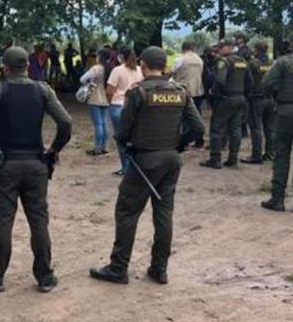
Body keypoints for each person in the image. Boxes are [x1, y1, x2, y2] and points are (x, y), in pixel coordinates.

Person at [89, 47, 204, 286]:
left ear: (143, 64)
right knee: (164, 214)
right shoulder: (180, 92)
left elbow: (123, 131)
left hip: (144, 160)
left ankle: (119, 268)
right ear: (164, 65)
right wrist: (177, 145)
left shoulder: (139, 93)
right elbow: (198, 128)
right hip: (171, 160)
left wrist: (130, 144)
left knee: (127, 212)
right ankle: (159, 269)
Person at [0, 46, 72, 293]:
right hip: (36, 163)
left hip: (6, 164)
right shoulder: (43, 90)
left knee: (3, 221)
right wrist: (54, 150)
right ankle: (45, 276)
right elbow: (66, 122)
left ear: (4, 67)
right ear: (27, 66)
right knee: (38, 220)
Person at [261, 31, 293, 213]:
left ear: (290, 45)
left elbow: (266, 83)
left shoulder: (283, 62)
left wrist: (278, 95)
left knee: (281, 153)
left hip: (286, 110)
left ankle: (277, 199)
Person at [200, 39, 252, 169]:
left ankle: (215, 158)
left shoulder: (223, 61)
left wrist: (213, 92)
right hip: (239, 97)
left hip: (225, 98)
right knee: (235, 129)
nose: (218, 49)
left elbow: (220, 80)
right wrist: (244, 94)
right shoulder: (243, 61)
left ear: (228, 47)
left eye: (221, 47)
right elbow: (249, 81)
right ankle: (233, 159)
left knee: (216, 128)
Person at [107, 47, 144, 175]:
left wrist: (110, 102)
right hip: (135, 106)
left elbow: (110, 90)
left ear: (121, 56)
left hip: (118, 105)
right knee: (134, 137)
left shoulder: (117, 70)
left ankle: (126, 168)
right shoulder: (140, 70)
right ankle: (135, 167)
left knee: (121, 139)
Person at [242, 41, 276, 165]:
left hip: (256, 99)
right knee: (270, 128)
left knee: (256, 127)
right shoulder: (273, 63)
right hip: (270, 99)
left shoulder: (252, 63)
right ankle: (270, 154)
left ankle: (256, 156)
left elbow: (247, 80)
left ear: (256, 50)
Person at [81, 49, 112, 156]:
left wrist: (90, 82)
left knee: (98, 124)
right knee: (104, 123)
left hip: (95, 98)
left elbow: (82, 79)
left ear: (100, 57)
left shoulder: (96, 68)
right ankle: (104, 147)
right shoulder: (111, 68)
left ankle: (97, 148)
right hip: (107, 99)